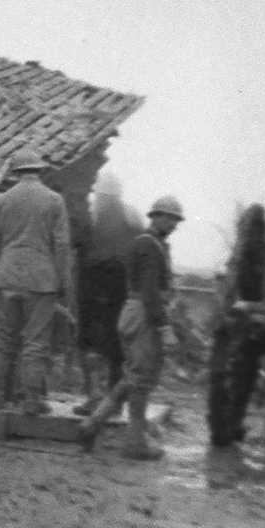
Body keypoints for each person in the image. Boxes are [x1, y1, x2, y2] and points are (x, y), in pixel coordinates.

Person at [76, 196, 185, 459]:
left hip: (137, 312)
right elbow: (149, 291)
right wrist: (164, 327)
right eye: (169, 218)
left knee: (135, 377)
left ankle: (93, 424)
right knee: (141, 380)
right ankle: (135, 442)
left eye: (176, 220)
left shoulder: (151, 244)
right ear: (155, 216)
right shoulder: (148, 245)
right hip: (144, 314)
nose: (173, 224)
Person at [0, 149, 71, 414]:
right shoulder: (54, 201)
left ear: (15, 173)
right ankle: (31, 399)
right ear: (39, 170)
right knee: (36, 341)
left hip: (6, 276)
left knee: (2, 338)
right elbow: (62, 245)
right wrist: (63, 280)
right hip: (41, 280)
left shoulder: (2, 201)